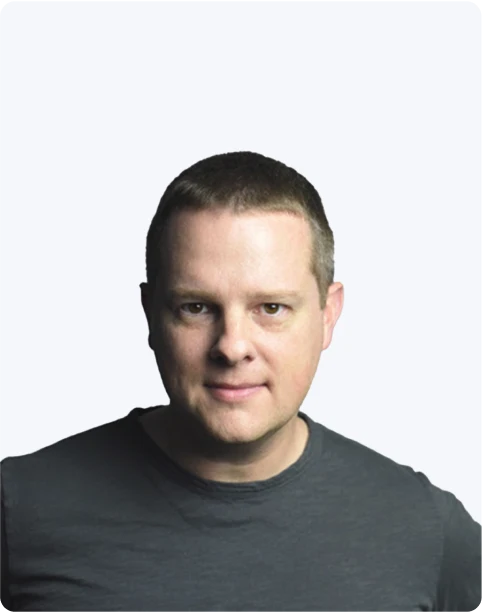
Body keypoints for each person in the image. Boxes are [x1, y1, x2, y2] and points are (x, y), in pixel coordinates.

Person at [0, 151, 480, 611]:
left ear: (327, 315)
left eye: (271, 308)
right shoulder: (19, 511)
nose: (231, 346)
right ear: (151, 315)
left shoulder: (427, 532)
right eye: (195, 307)